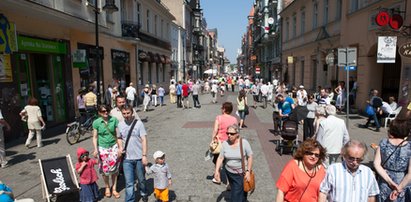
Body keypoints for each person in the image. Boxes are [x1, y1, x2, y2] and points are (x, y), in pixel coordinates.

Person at [373, 119, 411, 202]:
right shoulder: (410, 146)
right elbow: (410, 173)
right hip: (403, 182)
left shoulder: (384, 142)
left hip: (385, 181)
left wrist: (389, 182)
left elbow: (376, 164)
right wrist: (399, 188)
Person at [214, 124, 253, 202]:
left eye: (232, 133)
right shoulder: (225, 144)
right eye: (227, 133)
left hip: (241, 173)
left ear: (237, 134)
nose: (229, 135)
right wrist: (216, 171)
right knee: (240, 192)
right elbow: (220, 157)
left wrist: (248, 171)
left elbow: (250, 157)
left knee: (236, 195)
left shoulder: (244, 143)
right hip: (229, 172)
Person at [118, 105, 148, 202]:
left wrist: (144, 155)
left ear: (132, 113)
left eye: (128, 113)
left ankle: (143, 192)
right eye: (124, 113)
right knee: (129, 182)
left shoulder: (139, 124)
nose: (126, 115)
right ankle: (129, 200)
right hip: (127, 158)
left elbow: (143, 139)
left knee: (141, 179)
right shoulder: (120, 125)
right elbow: (119, 138)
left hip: (139, 157)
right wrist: (120, 147)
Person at [92, 105, 121, 199]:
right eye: (103, 111)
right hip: (102, 148)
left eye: (107, 110)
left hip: (113, 146)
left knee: (114, 169)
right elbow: (95, 137)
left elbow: (118, 135)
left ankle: (114, 188)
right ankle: (107, 186)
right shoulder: (96, 122)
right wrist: (95, 149)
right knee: (105, 170)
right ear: (99, 113)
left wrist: (120, 148)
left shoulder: (114, 120)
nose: (106, 112)